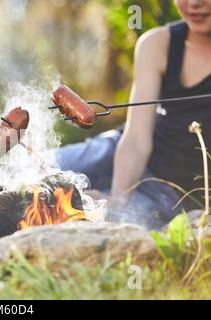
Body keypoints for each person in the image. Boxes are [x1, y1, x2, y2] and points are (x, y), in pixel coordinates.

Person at [54, 0, 211, 229]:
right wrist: (118, 199)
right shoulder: (157, 44)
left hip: (168, 194)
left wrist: (115, 208)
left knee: (114, 220)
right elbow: (136, 137)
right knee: (37, 169)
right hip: (118, 153)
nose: (194, 3)